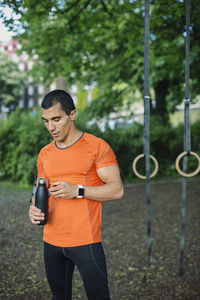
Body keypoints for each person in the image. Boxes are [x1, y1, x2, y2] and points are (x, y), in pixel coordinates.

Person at [29, 89, 124, 300]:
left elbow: (116, 190)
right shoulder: (45, 153)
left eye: (56, 119)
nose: (51, 127)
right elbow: (39, 187)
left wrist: (78, 191)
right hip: (51, 241)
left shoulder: (97, 147)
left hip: (85, 241)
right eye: (45, 121)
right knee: (59, 297)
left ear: (72, 115)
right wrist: (33, 206)